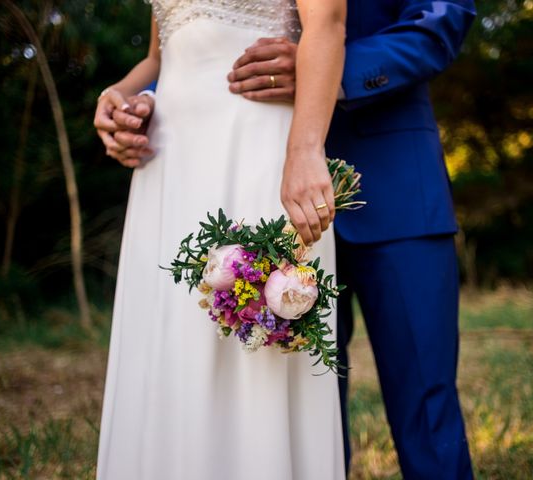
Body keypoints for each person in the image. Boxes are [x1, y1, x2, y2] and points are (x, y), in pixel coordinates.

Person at [96, 1, 478, 478]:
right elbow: (198, 45)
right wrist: (147, 101)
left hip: (391, 183)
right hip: (249, 189)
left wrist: (329, 73)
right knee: (288, 409)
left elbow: (442, 19)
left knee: (426, 402)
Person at [94, 1, 347, 479]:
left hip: (254, 144)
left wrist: (305, 150)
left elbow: (329, 24)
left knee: (251, 351)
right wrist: (120, 95)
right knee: (170, 339)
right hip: (168, 163)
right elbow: (160, 54)